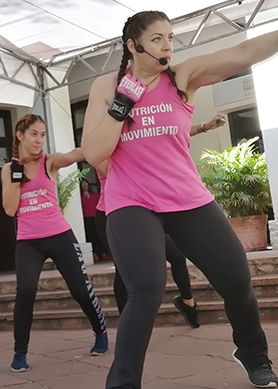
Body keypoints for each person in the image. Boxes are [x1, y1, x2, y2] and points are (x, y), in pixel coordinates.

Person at [81, 6, 278, 389]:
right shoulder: (106, 87)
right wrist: (123, 103)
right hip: (131, 201)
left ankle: (252, 354)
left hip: (187, 198)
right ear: (133, 44)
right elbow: (95, 154)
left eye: (170, 38)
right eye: (158, 38)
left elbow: (242, 53)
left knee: (237, 279)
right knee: (145, 289)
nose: (167, 46)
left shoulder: (180, 78)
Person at [95, 114, 228, 328]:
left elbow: (168, 131)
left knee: (176, 255)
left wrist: (205, 126)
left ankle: (188, 303)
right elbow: (108, 170)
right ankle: (128, 325)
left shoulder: (136, 133)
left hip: (151, 207)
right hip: (113, 212)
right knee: (125, 268)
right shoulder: (103, 145)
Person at [1, 115, 108, 373]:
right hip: (28, 240)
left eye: (42, 134)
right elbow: (9, 209)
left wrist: (106, 141)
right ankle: (20, 352)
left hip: (59, 235)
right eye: (34, 134)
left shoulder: (49, 162)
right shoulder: (8, 169)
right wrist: (17, 177)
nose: (39, 140)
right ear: (20, 135)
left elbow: (75, 154)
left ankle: (100, 330)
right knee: (25, 291)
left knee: (80, 290)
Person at [80, 179, 106, 262]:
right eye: (83, 185)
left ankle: (102, 252)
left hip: (96, 216)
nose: (85, 186)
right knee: (91, 235)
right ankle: (94, 253)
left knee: (99, 234)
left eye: (86, 184)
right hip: (87, 218)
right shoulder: (80, 197)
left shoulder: (95, 195)